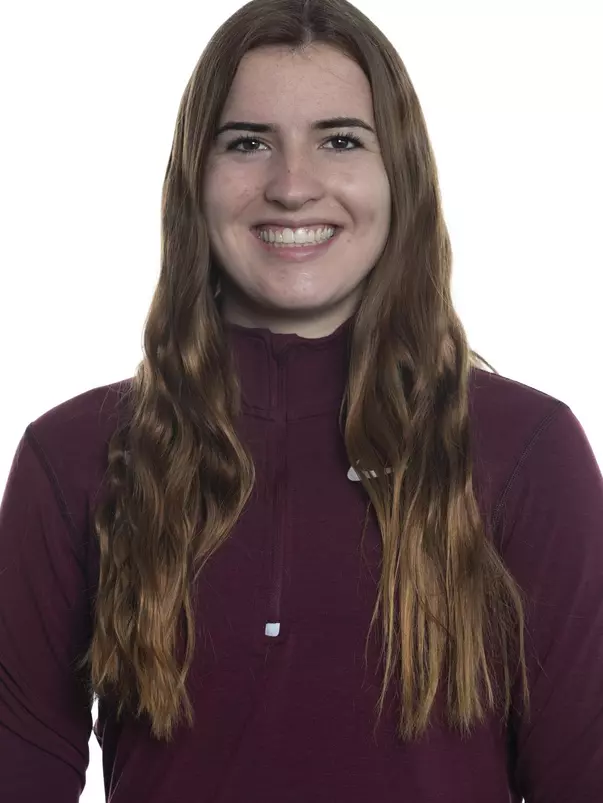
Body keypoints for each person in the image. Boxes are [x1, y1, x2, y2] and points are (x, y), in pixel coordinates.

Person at [1, 0, 602, 800]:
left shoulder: (525, 448)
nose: (291, 186)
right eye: (247, 143)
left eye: (340, 140)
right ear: (195, 178)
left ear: (401, 176)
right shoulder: (72, 456)